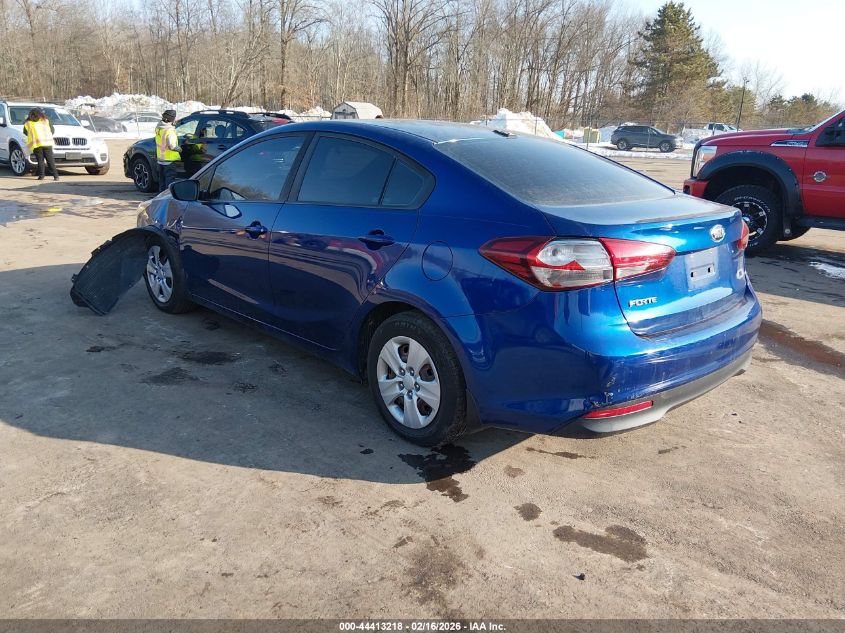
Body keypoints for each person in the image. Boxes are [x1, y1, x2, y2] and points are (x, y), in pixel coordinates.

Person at [23, 108, 59, 181]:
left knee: (40, 161)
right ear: (40, 114)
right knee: (50, 160)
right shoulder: (46, 121)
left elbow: (25, 132)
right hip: (47, 143)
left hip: (37, 144)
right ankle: (56, 176)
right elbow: (52, 130)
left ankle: (41, 176)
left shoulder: (28, 123)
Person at [155, 109, 181, 192]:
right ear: (172, 119)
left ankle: (161, 197)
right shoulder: (169, 131)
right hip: (169, 161)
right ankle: (168, 198)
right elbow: (172, 146)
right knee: (170, 182)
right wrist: (180, 149)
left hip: (160, 160)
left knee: (162, 181)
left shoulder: (159, 128)